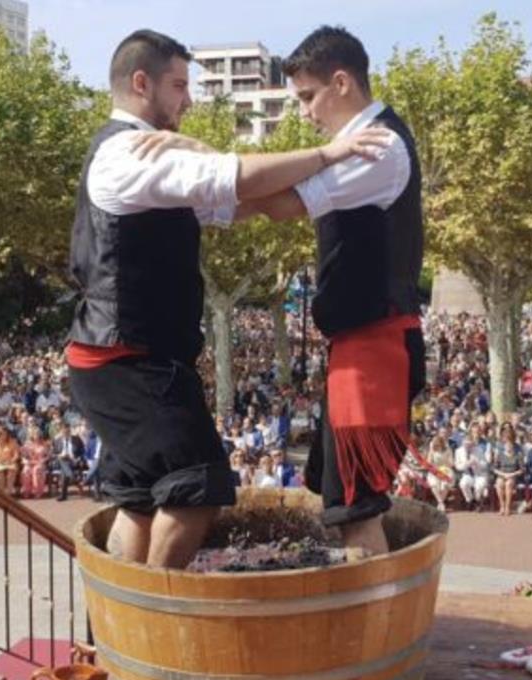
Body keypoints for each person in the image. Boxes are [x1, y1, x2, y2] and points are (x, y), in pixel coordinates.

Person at [66, 29, 390, 569]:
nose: (189, 99)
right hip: (128, 360)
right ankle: (154, 615)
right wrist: (329, 153)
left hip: (117, 357)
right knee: (200, 488)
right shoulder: (129, 151)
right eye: (178, 85)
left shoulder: (147, 156)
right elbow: (237, 177)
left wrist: (199, 150)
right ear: (141, 83)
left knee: (142, 501)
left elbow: (238, 202)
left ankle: (115, 631)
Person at [249, 26, 427, 556]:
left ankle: (371, 631)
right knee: (344, 500)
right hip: (362, 346)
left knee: (356, 508)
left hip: (374, 350)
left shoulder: (376, 146)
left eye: (307, 97)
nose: (304, 112)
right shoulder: (362, 142)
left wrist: (208, 189)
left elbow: (280, 205)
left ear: (342, 82)